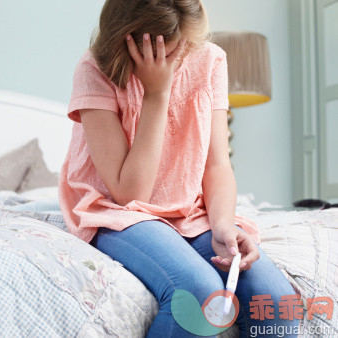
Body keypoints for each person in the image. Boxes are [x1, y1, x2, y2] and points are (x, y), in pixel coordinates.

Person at [57, 0, 301, 337]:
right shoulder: (94, 68)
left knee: (275, 301)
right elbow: (130, 194)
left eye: (187, 46)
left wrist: (222, 226)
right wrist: (157, 93)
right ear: (129, 43)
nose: (182, 57)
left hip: (189, 211)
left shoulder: (211, 59)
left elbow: (217, 165)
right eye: (169, 53)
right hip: (118, 211)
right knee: (198, 293)